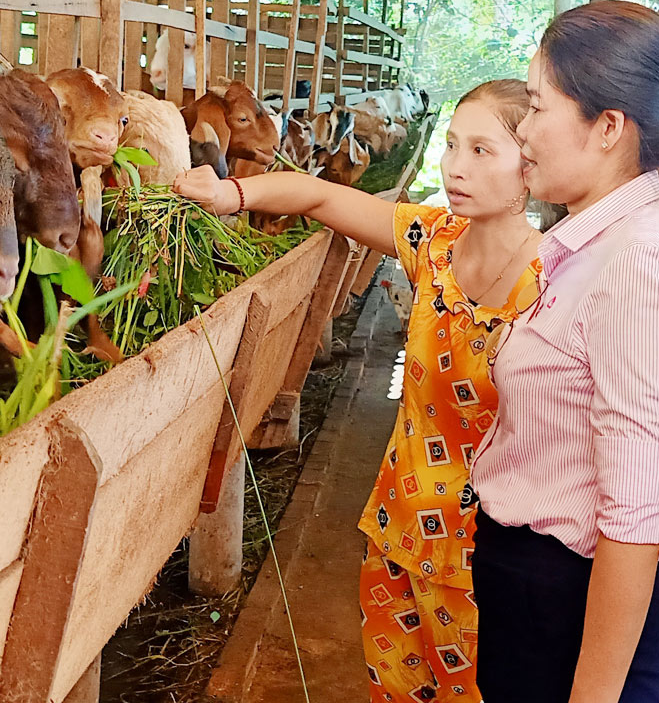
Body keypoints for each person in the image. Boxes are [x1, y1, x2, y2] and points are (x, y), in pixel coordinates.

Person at [173, 80, 541, 703]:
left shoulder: (554, 281)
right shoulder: (435, 242)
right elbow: (317, 194)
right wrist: (229, 193)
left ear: (531, 166)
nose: (454, 166)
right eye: (452, 145)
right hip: (397, 532)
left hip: (488, 556)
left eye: (483, 151)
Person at [469, 1, 659, 703]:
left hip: (569, 606)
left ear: (608, 128)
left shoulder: (636, 272)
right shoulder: (592, 248)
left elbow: (634, 523)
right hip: (535, 597)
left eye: (534, 107)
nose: (523, 132)